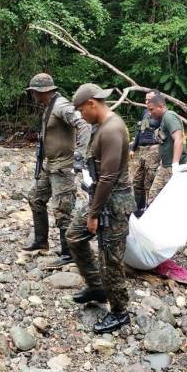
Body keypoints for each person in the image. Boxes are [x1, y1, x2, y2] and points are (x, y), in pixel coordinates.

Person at [66, 83, 136, 334]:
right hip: (98, 196)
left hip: (114, 203)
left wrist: (94, 214)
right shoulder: (101, 127)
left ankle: (120, 312)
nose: (81, 116)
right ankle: (96, 286)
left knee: (111, 259)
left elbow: (108, 177)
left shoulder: (113, 130)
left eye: (81, 110)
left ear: (92, 104)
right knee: (74, 236)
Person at [24, 73, 91, 269]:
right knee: (35, 198)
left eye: (33, 92)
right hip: (50, 164)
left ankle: (68, 253)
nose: (32, 95)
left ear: (40, 91)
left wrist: (80, 154)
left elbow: (84, 125)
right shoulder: (49, 106)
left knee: (63, 209)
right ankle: (40, 240)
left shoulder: (61, 106)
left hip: (63, 166)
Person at [146, 93, 187, 249]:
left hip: (176, 167)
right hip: (166, 166)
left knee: (185, 203)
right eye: (148, 110)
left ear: (161, 106)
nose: (150, 113)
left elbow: (178, 139)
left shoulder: (170, 116)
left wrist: (176, 164)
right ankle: (157, 234)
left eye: (152, 110)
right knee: (154, 198)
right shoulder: (162, 120)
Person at [130, 90, 161, 215]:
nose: (147, 102)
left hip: (154, 149)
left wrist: (144, 123)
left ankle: (149, 211)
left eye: (149, 99)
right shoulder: (144, 112)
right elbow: (139, 131)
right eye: (146, 99)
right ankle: (139, 209)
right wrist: (132, 148)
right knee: (137, 181)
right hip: (142, 150)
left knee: (149, 182)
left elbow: (155, 124)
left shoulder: (160, 113)